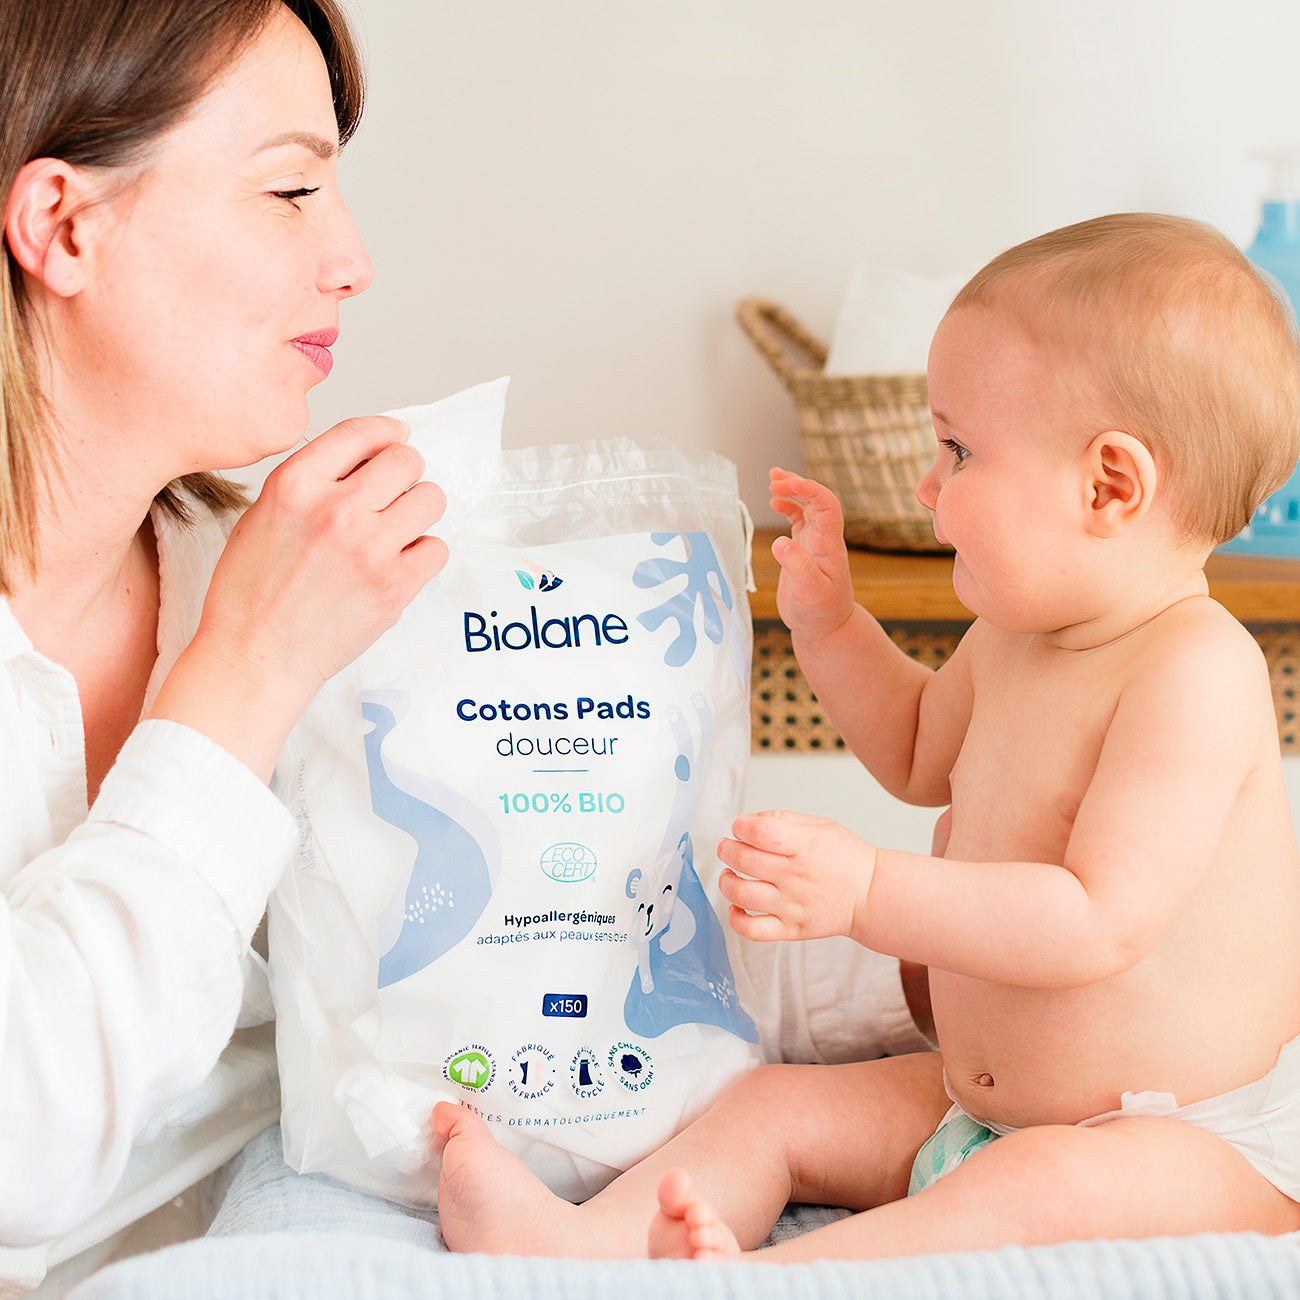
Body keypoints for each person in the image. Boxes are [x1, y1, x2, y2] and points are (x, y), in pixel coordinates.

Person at [430, 212, 1300, 1261]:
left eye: (959, 450)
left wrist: (869, 891)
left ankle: (765, 1281)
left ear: (1107, 486)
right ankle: (583, 1251)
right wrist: (834, 628)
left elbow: (1094, 921)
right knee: (773, 1105)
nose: (929, 486)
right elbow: (919, 752)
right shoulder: (1016, 636)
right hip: (978, 1109)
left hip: (1177, 1138)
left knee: (1037, 1187)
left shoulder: (1192, 674)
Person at [0, 0, 447, 1291]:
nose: (351, 260)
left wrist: (925, 957)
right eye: (291, 190)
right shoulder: (262, 628)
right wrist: (241, 676)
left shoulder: (263, 575)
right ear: (63, 227)